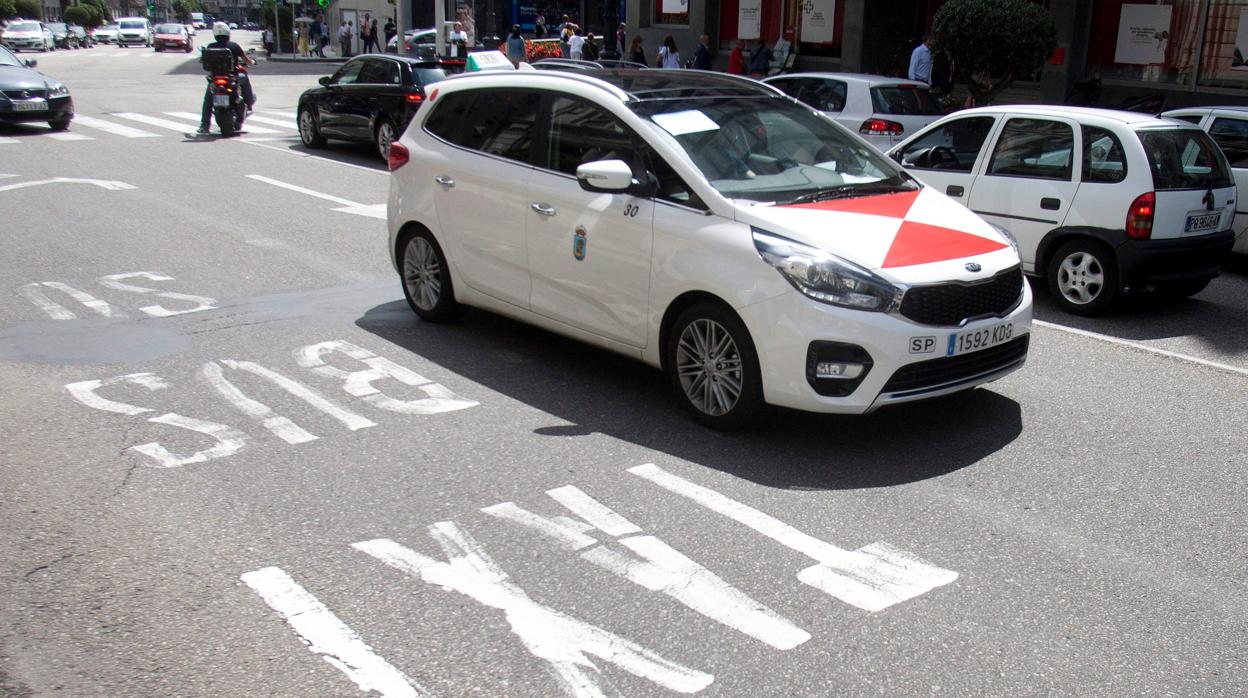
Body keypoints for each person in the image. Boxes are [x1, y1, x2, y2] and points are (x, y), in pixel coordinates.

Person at [197, 22, 256, 134]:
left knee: (208, 100)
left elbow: (203, 60)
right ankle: (249, 104)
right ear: (228, 33)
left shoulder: (211, 47)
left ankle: (204, 125)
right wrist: (252, 61)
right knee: (244, 78)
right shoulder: (234, 46)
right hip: (231, 78)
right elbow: (246, 60)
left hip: (215, 79)